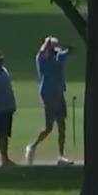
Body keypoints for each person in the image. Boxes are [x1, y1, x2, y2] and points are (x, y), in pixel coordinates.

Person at [25, 37, 75, 166]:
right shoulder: (41, 58)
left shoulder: (58, 56)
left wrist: (68, 49)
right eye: (53, 48)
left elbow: (69, 52)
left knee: (62, 125)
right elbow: (44, 52)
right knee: (49, 127)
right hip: (48, 93)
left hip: (59, 93)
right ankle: (32, 147)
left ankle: (61, 155)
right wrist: (48, 42)